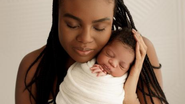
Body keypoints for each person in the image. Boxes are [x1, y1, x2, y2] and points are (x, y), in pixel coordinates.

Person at [15, 0, 169, 104]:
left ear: (112, 19)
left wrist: (129, 91)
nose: (85, 39)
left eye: (99, 28)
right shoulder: (34, 66)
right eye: (72, 25)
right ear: (57, 16)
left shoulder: (136, 53)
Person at [56, 28, 136, 104]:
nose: (113, 63)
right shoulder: (86, 62)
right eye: (109, 54)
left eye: (122, 65)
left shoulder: (121, 82)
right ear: (102, 48)